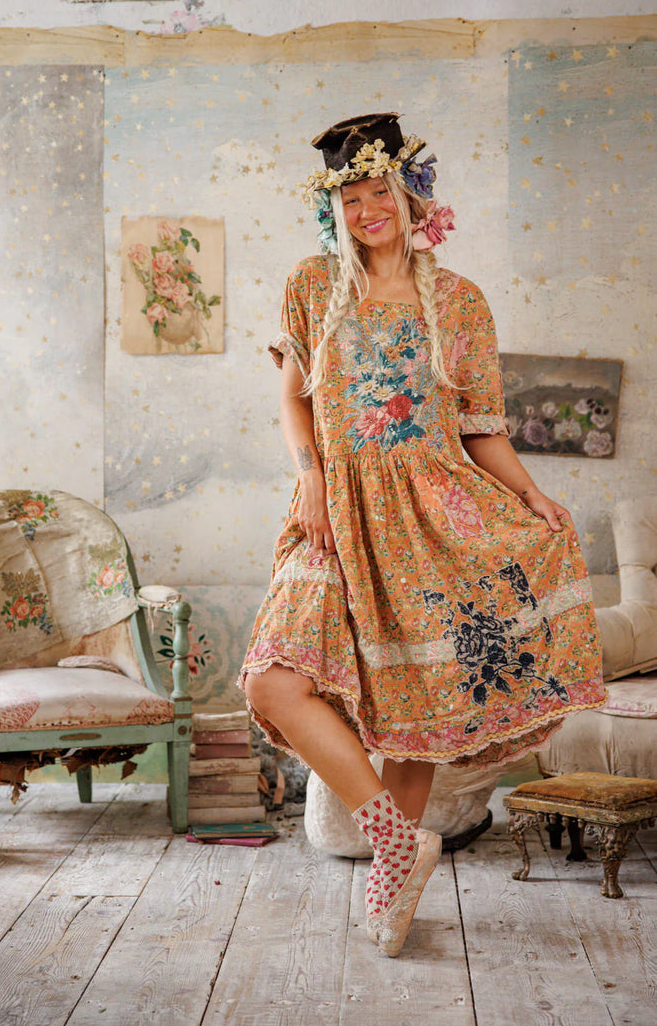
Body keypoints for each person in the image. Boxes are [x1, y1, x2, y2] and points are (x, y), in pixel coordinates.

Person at [240, 113, 606, 957]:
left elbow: (480, 427)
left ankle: (392, 878)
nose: (368, 210)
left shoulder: (459, 300)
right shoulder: (310, 283)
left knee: (417, 709)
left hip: (435, 515)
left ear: (410, 195)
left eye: (380, 192)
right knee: (272, 680)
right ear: (333, 208)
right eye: (351, 198)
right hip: (333, 510)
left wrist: (531, 494)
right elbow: (294, 396)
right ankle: (396, 839)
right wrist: (310, 477)